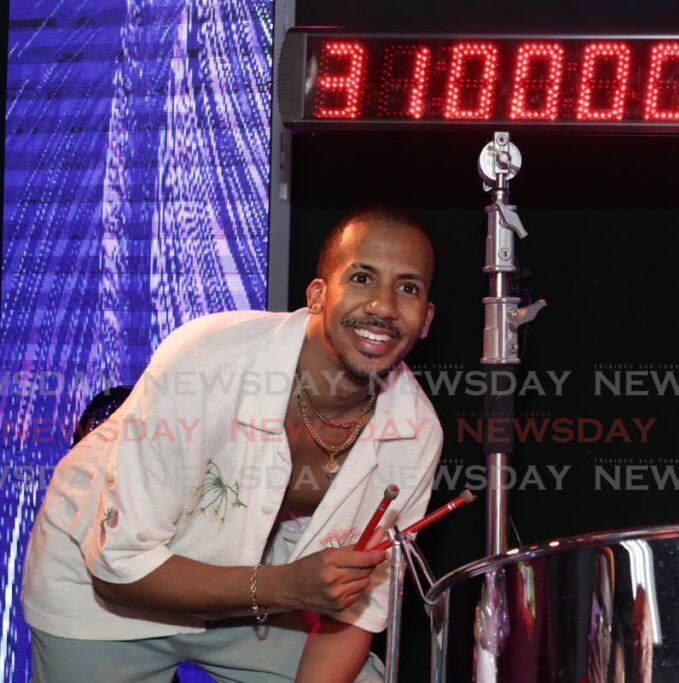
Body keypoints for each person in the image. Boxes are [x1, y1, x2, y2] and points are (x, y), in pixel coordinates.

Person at [22, 207, 443, 682]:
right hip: (101, 594)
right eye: (362, 277)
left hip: (251, 600)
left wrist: (287, 590)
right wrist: (287, 588)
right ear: (318, 295)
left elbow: (354, 614)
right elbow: (117, 569)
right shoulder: (206, 361)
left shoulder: (415, 432)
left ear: (426, 319)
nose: (384, 306)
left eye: (408, 288)